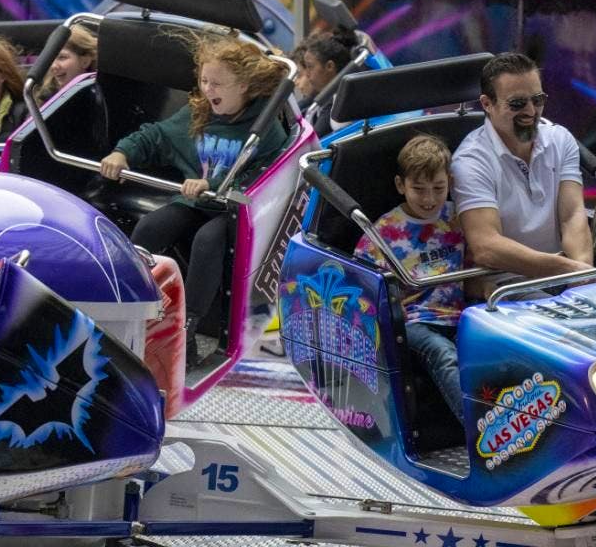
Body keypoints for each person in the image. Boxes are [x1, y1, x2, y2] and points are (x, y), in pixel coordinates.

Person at [99, 33, 288, 367]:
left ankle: (188, 327)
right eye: (204, 81)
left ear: (243, 86)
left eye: (217, 83)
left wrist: (211, 184)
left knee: (207, 241)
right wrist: (122, 153)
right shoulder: (198, 112)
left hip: (235, 209)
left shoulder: (265, 128)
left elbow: (263, 177)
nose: (207, 90)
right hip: (196, 203)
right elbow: (155, 136)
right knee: (149, 227)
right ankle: (133, 304)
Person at [451, 52, 593, 296]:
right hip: (505, 286)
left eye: (538, 100)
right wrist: (567, 269)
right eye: (517, 104)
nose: (531, 111)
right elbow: (486, 246)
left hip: (564, 276)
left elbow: (572, 215)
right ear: (487, 104)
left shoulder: (561, 139)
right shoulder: (470, 161)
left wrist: (584, 277)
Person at [354, 135, 470, 425]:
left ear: (450, 183)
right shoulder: (382, 232)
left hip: (462, 313)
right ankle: (479, 433)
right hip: (413, 321)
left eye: (438, 188)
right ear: (400, 185)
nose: (430, 199)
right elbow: (365, 288)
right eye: (419, 189)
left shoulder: (459, 216)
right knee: (442, 353)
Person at [300, 30, 359, 138]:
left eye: (310, 67)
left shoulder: (336, 104)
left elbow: (313, 139)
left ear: (329, 66)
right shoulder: (316, 97)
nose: (307, 74)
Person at [37, 24, 97, 102]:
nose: (53, 66)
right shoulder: (45, 97)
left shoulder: (99, 98)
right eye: (51, 58)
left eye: (62, 57)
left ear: (85, 62)